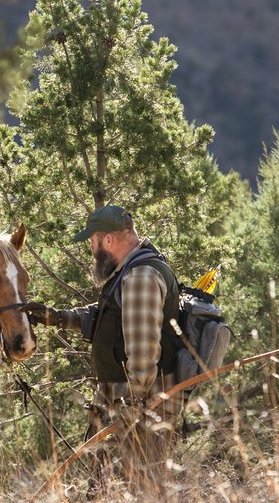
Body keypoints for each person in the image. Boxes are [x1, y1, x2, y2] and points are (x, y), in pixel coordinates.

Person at [25, 205, 181, 488]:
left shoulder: (141, 278)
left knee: (137, 495)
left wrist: (128, 414)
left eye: (92, 241)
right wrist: (56, 317)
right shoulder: (131, 271)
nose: (91, 248)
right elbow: (106, 316)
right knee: (106, 491)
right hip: (124, 404)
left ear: (108, 240)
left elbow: (144, 359)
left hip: (139, 411)